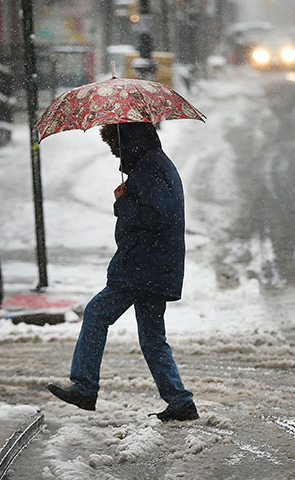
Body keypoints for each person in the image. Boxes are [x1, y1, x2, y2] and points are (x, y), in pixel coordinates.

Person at [47, 122, 198, 422]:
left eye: (114, 144)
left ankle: (85, 387)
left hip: (142, 266)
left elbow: (157, 216)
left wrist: (123, 202)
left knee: (96, 314)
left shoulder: (149, 167)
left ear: (127, 141)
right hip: (153, 265)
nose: (114, 152)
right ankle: (179, 401)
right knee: (153, 338)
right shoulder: (152, 163)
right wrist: (129, 195)